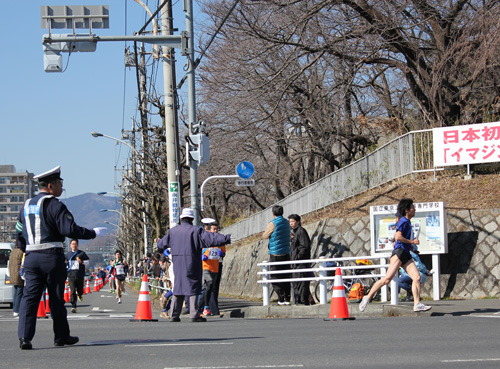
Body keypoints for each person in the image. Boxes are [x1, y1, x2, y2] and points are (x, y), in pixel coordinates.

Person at [16, 166, 105, 350]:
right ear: (50, 186)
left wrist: (26, 250)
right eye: (60, 184)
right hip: (51, 257)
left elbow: (18, 233)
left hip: (31, 257)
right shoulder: (55, 205)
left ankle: (25, 338)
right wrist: (92, 233)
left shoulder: (25, 206)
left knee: (30, 299)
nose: (62, 188)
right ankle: (61, 336)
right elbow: (69, 230)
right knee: (56, 298)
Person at [156, 208, 230, 322]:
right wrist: (226, 238)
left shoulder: (173, 231)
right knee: (193, 286)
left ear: (181, 218)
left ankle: (174, 314)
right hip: (192, 262)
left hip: (177, 263)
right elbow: (211, 238)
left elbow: (161, 244)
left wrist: (160, 246)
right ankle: (194, 314)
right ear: (192, 219)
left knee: (178, 287)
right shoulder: (196, 231)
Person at [359, 198, 431, 313]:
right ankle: (367, 298)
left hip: (405, 253)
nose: (415, 209)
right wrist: (411, 242)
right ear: (407, 210)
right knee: (387, 279)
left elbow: (400, 239)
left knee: (416, 277)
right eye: (412, 207)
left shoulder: (407, 222)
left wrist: (410, 246)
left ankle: (417, 303)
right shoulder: (404, 221)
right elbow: (397, 237)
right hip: (399, 253)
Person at [262, 205, 291, 305]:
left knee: (275, 276)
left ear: (273, 213)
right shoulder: (287, 222)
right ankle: (287, 298)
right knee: (286, 275)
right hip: (286, 253)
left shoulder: (273, 223)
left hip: (275, 253)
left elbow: (265, 236)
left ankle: (281, 298)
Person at [288, 214, 314, 305]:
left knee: (301, 283)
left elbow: (305, 246)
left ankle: (303, 301)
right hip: (296, 262)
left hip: (301, 262)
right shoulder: (295, 232)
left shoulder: (301, 231)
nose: (291, 223)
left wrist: (298, 257)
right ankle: (302, 300)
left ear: (298, 221)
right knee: (297, 283)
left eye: (293, 221)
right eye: (290, 221)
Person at [66, 239, 89, 313]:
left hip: (79, 274)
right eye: (72, 244)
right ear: (70, 245)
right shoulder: (68, 254)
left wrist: (82, 262)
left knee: (80, 289)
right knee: (72, 291)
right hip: (71, 275)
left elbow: (88, 262)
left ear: (77, 245)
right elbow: (65, 264)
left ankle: (80, 294)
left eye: (75, 244)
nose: (74, 245)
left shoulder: (81, 253)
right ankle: (73, 306)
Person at [8, 240, 24, 317]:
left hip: (12, 274)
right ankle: (17, 310)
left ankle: (15, 308)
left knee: (16, 292)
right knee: (19, 292)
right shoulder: (21, 252)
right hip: (19, 274)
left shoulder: (13, 252)